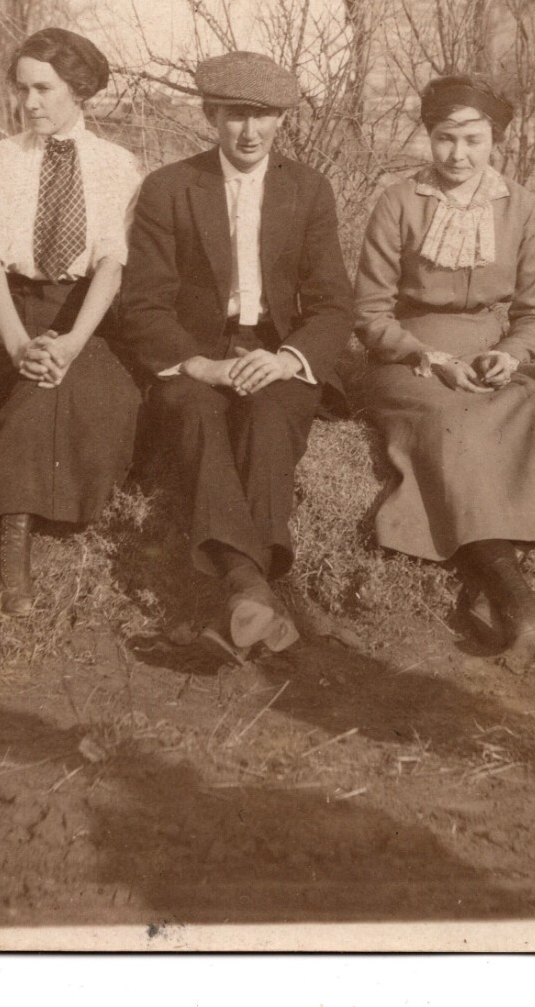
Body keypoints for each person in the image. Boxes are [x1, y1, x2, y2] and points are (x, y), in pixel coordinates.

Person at [354, 73, 535, 660]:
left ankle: (492, 580)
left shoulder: (519, 205)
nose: (458, 154)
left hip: (487, 351)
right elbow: (369, 313)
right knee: (451, 423)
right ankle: (515, 601)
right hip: (409, 355)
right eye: (445, 138)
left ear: (494, 140)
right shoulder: (399, 202)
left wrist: (512, 353)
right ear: (429, 137)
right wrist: (428, 356)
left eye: (473, 140)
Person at [121, 51, 354, 654]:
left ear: (282, 119)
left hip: (276, 348)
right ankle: (252, 590)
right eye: (235, 116)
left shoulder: (307, 189)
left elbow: (333, 304)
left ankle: (242, 593)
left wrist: (287, 359)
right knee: (197, 411)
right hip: (197, 349)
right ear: (210, 116)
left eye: (264, 116)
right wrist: (201, 364)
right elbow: (143, 304)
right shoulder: (170, 187)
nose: (251, 132)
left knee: (272, 417)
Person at [0, 27, 142, 616]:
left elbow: (111, 265)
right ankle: (12, 564)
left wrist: (71, 343)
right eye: (22, 89)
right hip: (9, 315)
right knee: (39, 381)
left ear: (79, 89)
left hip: (83, 316)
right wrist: (19, 345)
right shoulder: (0, 161)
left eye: (44, 88)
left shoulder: (117, 165)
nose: (30, 102)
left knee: (84, 388)